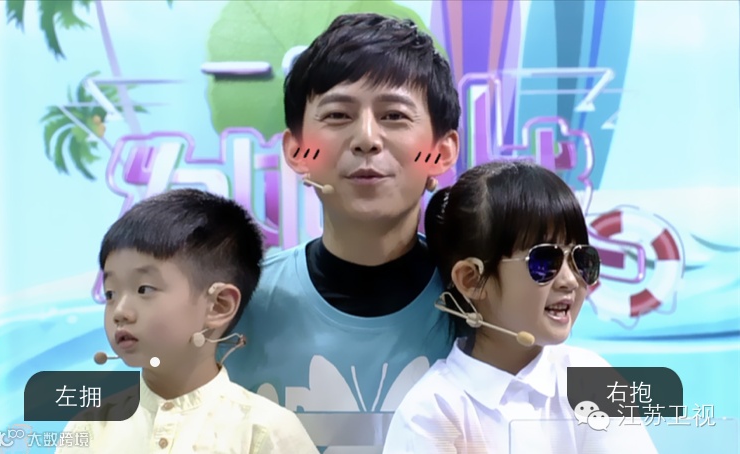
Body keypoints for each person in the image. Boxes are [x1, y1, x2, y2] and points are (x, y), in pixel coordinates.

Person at [224, 12, 461, 452]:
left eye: (394, 115)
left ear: (441, 152)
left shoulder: (486, 304)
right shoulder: (234, 303)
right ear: (297, 151)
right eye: (337, 115)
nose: (366, 138)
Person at [381, 161, 659, 453]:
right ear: (472, 279)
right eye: (544, 261)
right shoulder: (432, 412)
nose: (569, 280)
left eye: (581, 259)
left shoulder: (591, 378)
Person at [56, 189, 318, 454]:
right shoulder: (91, 426)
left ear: (219, 305)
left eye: (144, 289)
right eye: (111, 294)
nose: (120, 312)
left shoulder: (265, 430)